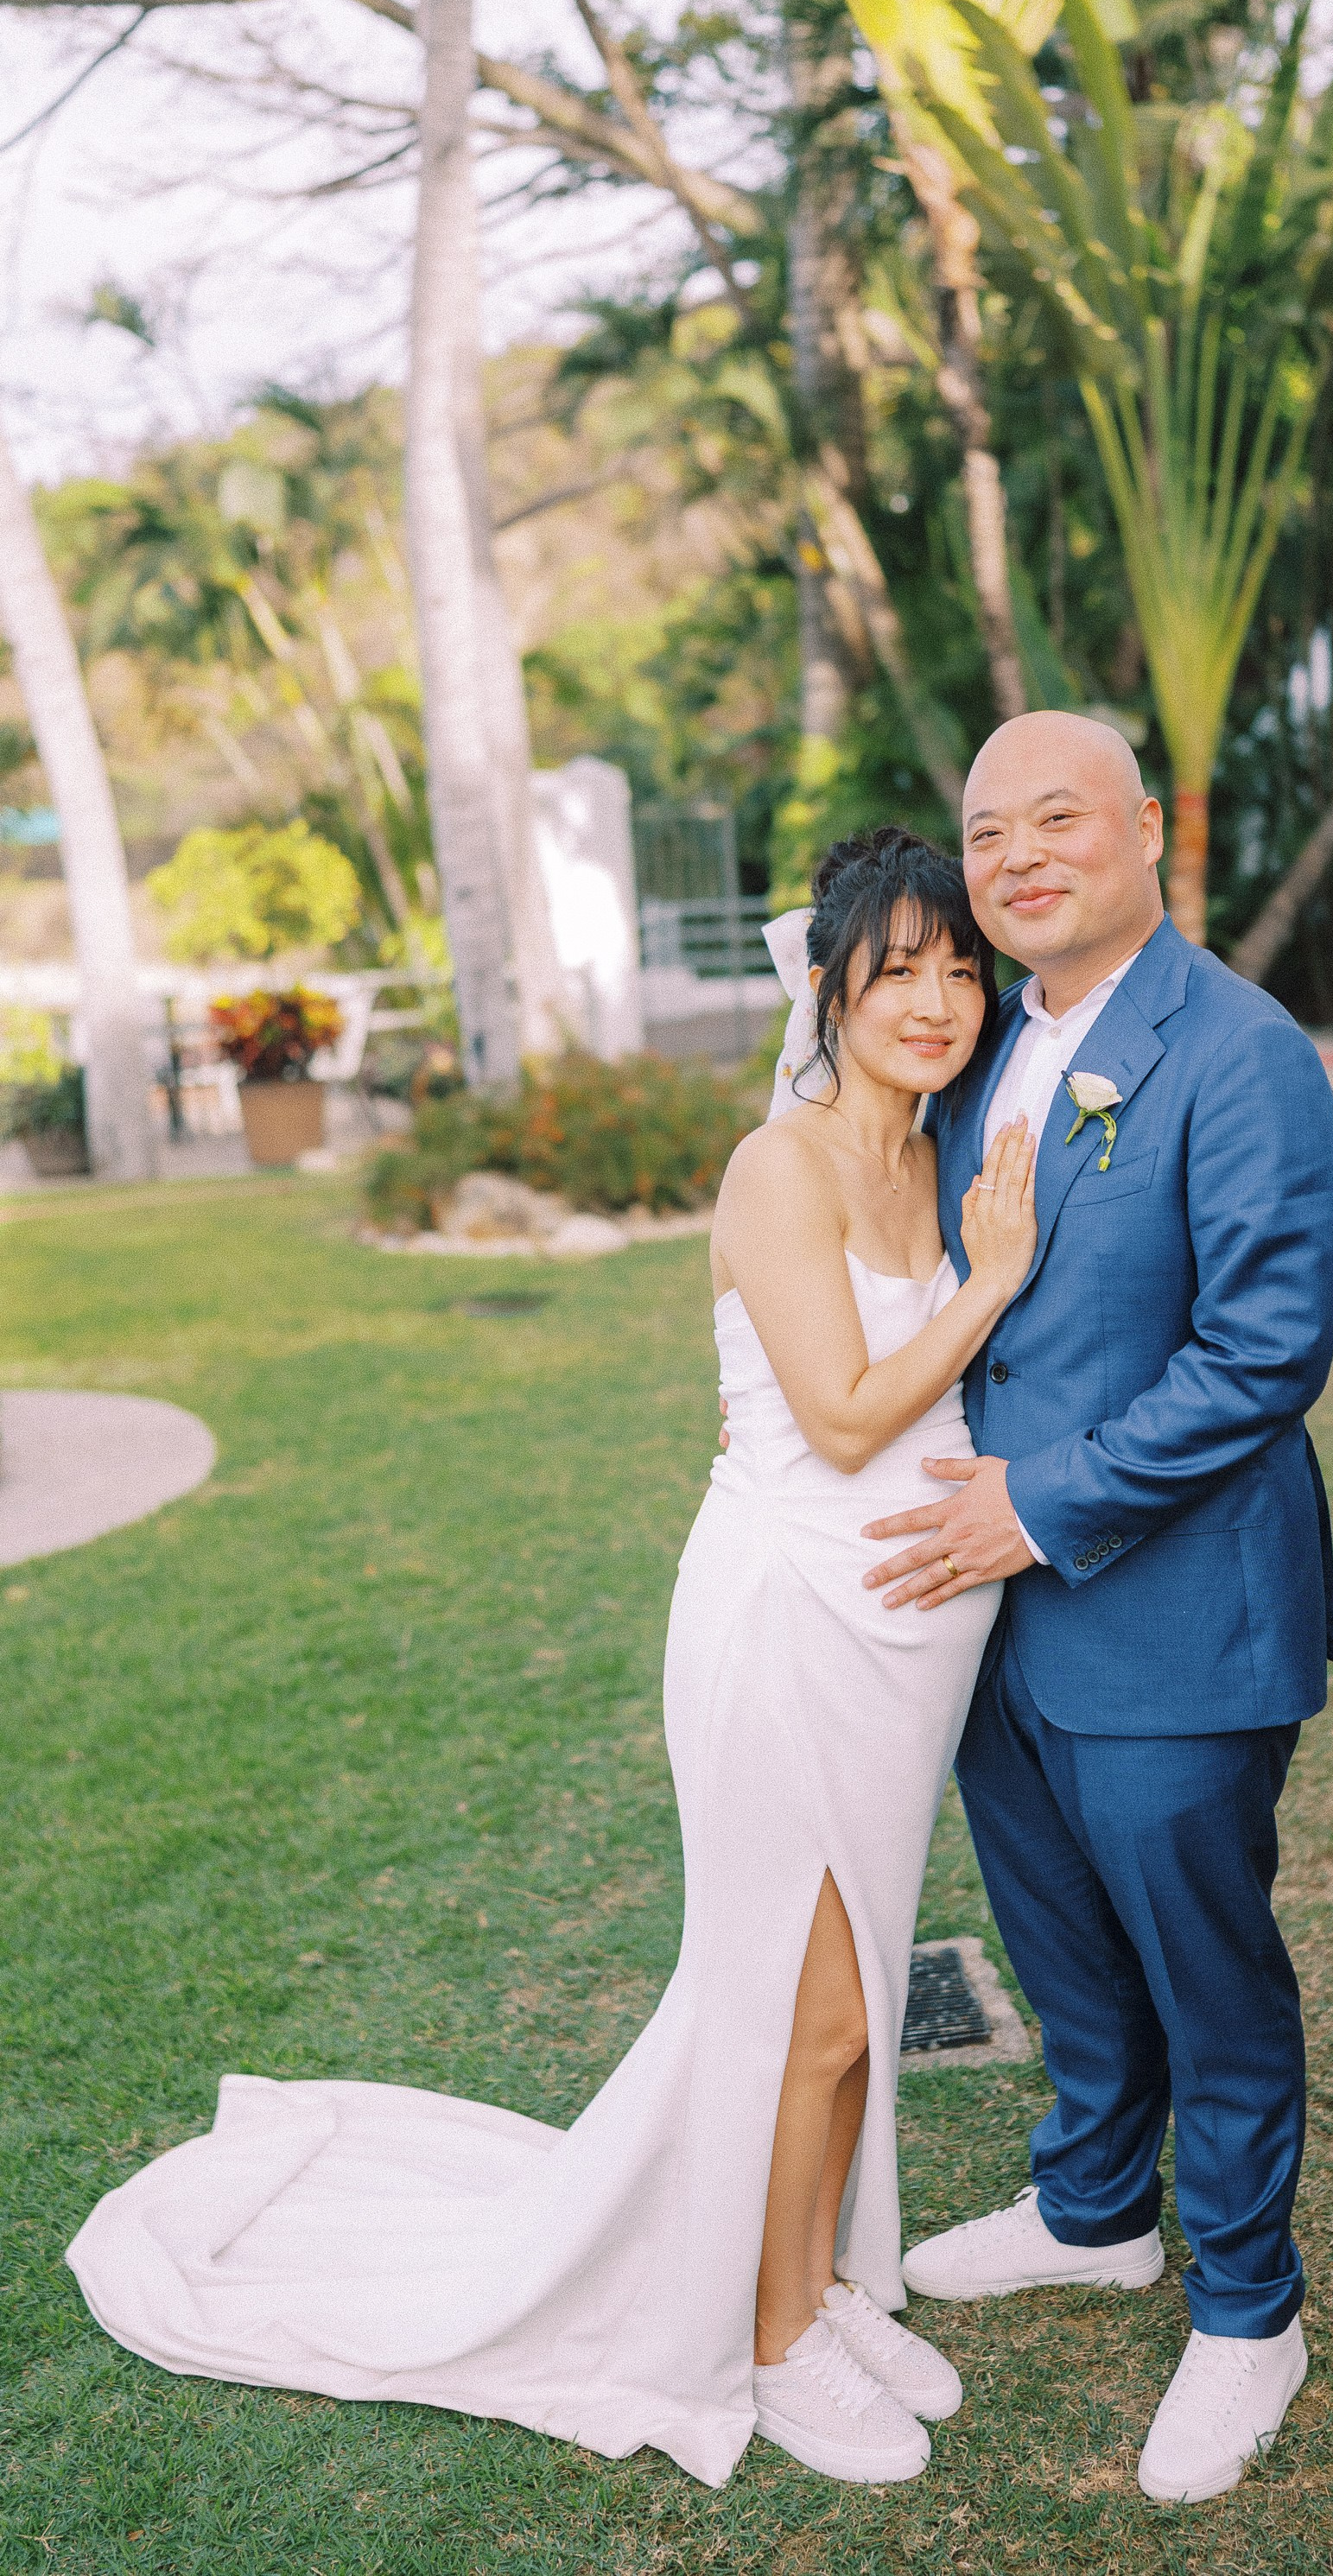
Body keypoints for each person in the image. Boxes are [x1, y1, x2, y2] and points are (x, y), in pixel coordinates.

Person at [64, 828, 1037, 2491]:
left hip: (902, 1654)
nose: (940, 1001)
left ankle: (806, 2285)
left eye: (962, 969)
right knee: (796, 2013)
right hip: (785, 1629)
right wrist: (998, 1279)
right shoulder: (778, 1167)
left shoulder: (938, 1155)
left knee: (860, 2002)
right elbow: (848, 1412)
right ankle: (771, 2342)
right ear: (829, 987)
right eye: (900, 973)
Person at [860, 712, 1333, 2505]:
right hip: (988, 1615)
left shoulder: (1239, 1050)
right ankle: (1094, 2212)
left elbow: (1262, 1355)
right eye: (987, 834)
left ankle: (1248, 2310)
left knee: (1203, 1969)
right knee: (1058, 1935)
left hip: (1171, 1610)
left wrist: (1036, 1505)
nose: (1016, 858)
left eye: (1056, 817)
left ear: (1148, 829)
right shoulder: (987, 1044)